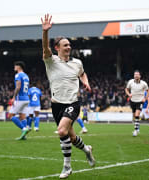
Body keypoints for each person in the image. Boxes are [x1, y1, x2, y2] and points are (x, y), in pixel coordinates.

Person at [41, 14, 95, 179]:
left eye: (69, 44)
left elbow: (83, 74)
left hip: (72, 102)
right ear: (57, 48)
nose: (68, 47)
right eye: (65, 45)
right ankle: (87, 150)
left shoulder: (77, 63)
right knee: (70, 137)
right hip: (57, 104)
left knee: (61, 130)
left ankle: (67, 166)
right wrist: (45, 33)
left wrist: (86, 82)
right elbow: (45, 48)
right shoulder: (51, 61)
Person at [8, 61, 30, 140]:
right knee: (22, 116)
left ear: (19, 67)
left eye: (15, 66)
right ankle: (24, 136)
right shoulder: (26, 76)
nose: (14, 67)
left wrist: (14, 97)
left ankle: (24, 129)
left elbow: (18, 86)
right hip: (26, 99)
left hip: (20, 99)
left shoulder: (18, 75)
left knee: (10, 115)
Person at [125, 70, 149, 137]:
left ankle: (135, 130)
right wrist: (128, 94)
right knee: (134, 116)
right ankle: (137, 124)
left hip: (140, 101)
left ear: (140, 76)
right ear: (134, 76)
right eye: (135, 74)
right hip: (132, 101)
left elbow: (148, 91)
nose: (136, 75)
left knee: (137, 114)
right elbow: (126, 89)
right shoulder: (130, 82)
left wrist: (145, 98)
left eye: (137, 74)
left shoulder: (144, 83)